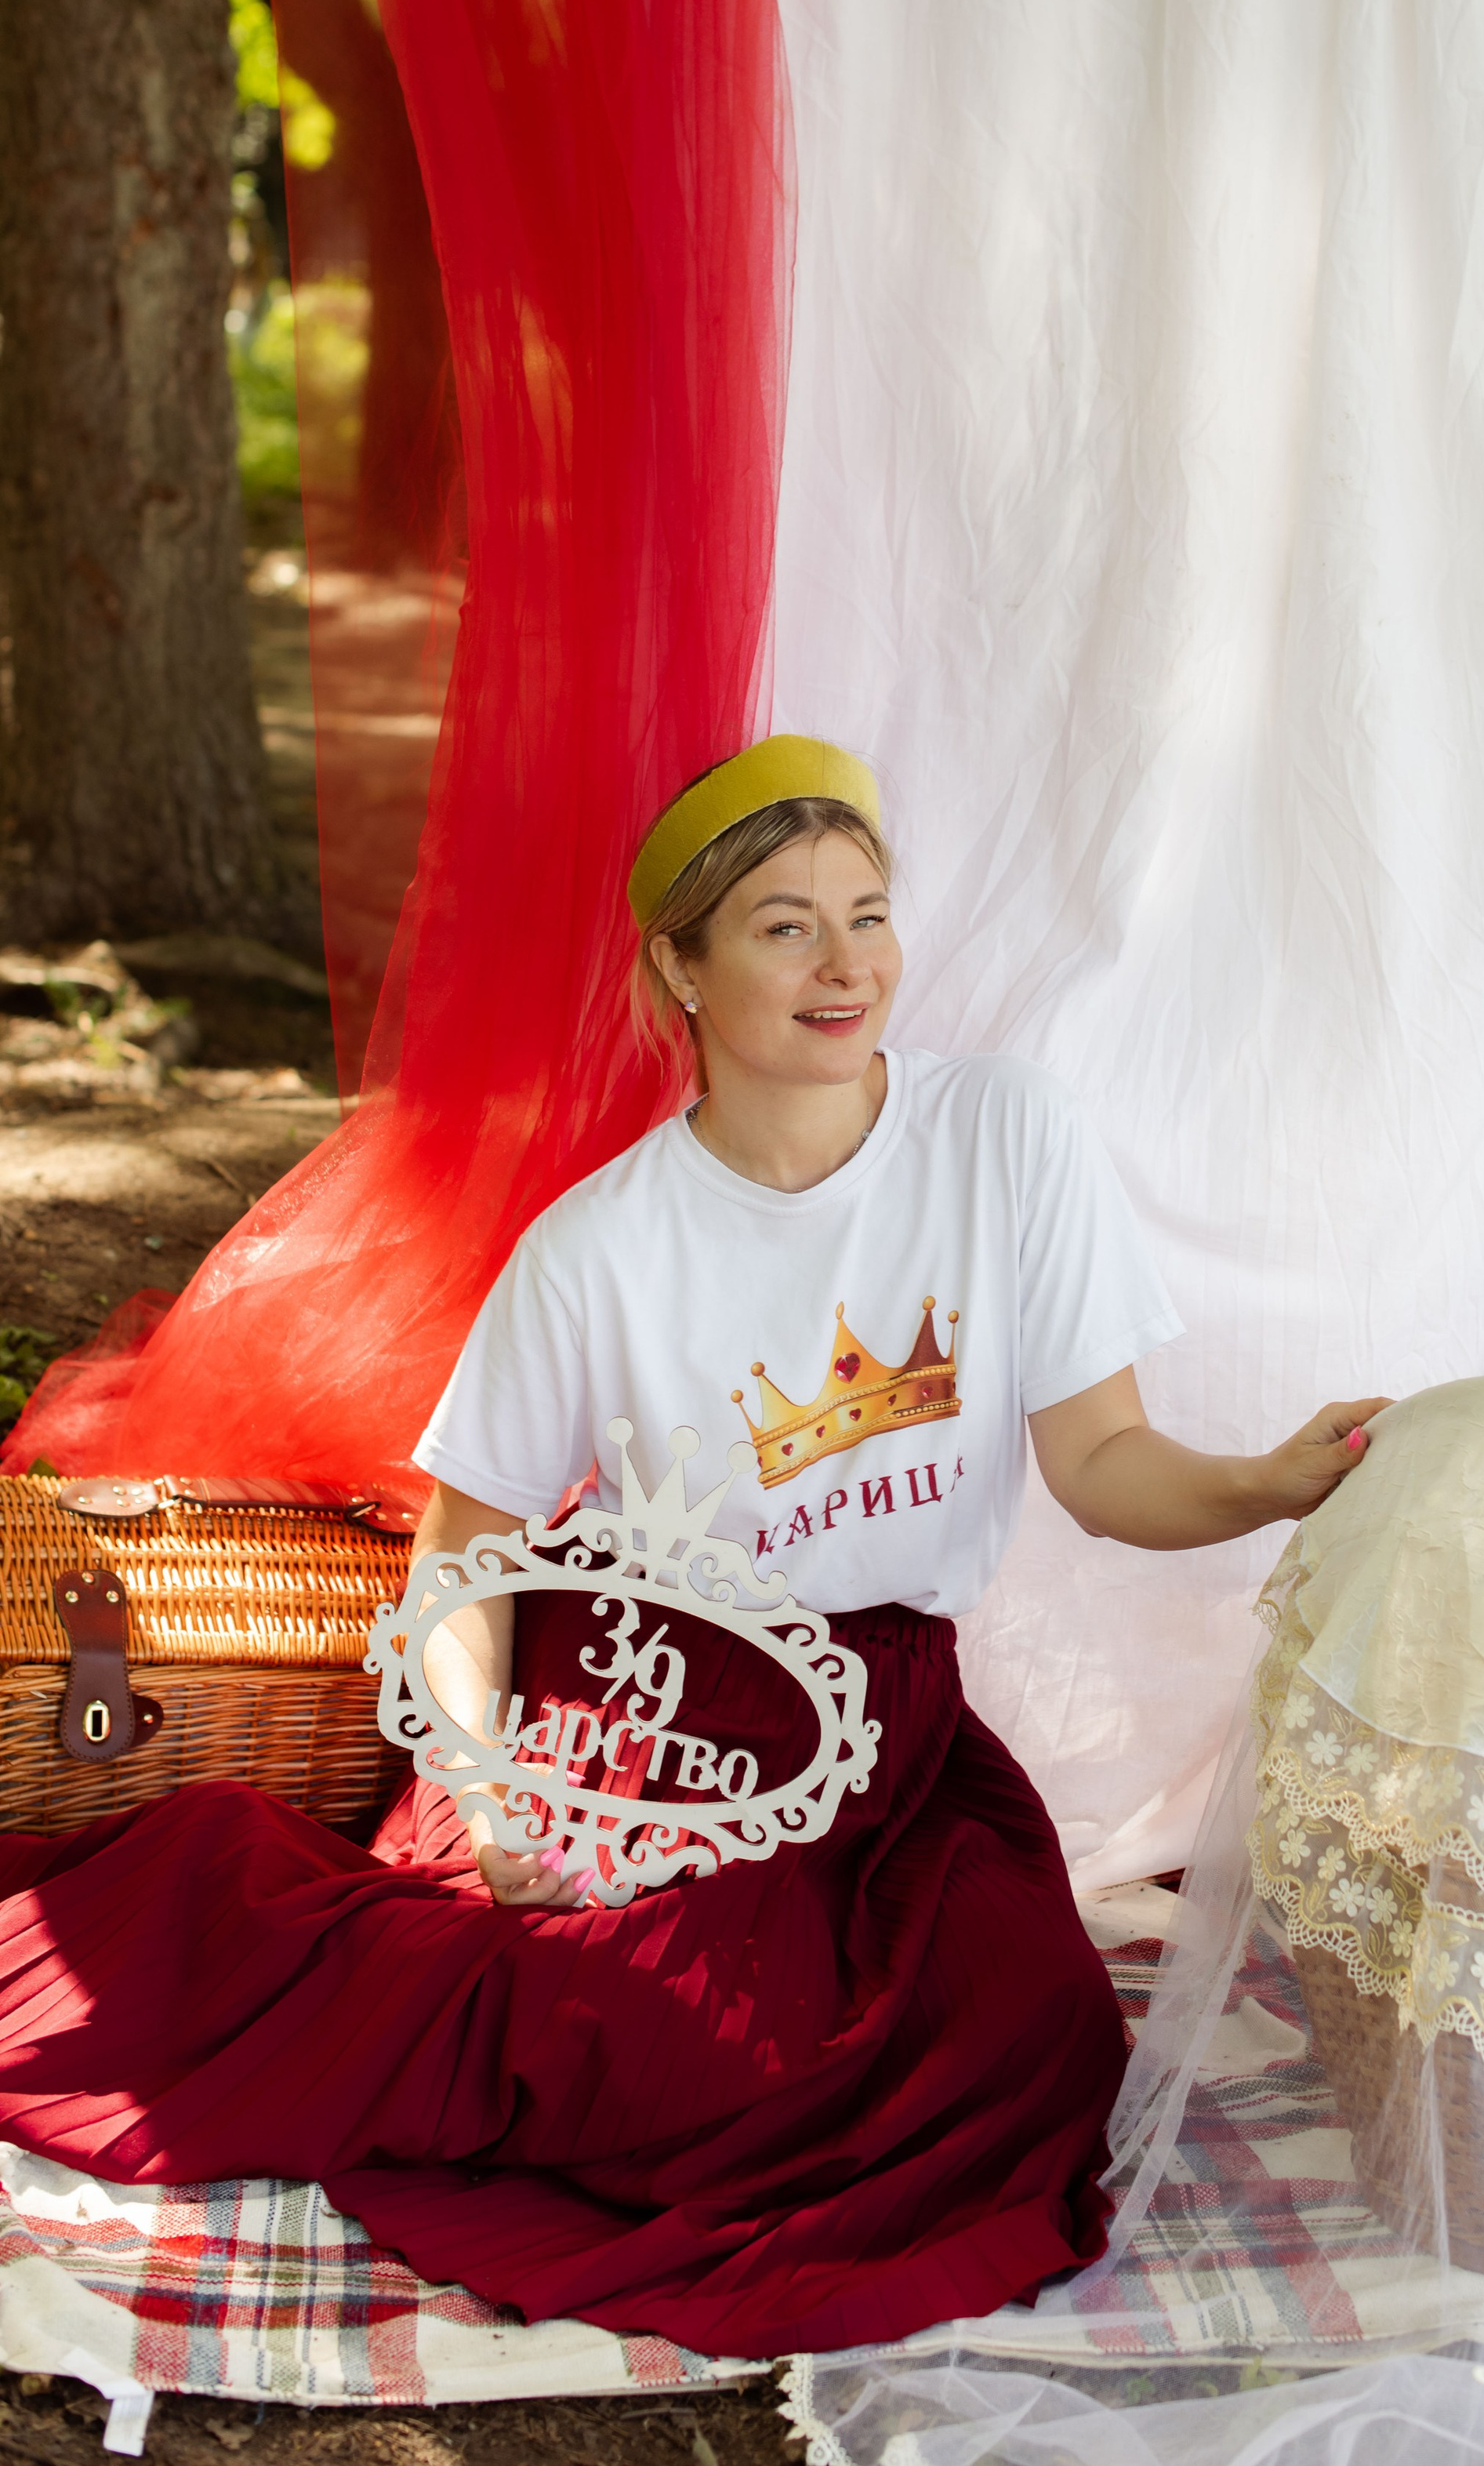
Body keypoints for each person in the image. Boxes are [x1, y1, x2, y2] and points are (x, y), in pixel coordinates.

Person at [0, 735, 1385, 2355]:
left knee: (1029, 2034)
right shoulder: (599, 1249)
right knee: (683, 2040)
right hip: (654, 1712)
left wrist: (1272, 1482)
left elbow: (1105, 1466)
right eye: (784, 924)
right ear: (682, 965)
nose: (844, 962)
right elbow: (465, 1563)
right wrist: (505, 1794)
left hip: (893, 1721)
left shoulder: (1002, 1137)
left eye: (867, 914)